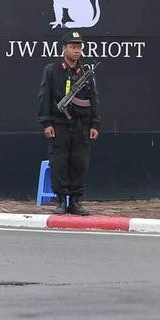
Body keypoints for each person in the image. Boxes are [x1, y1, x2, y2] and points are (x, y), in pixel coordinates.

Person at [37, 29, 100, 216]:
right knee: (59, 163)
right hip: (59, 124)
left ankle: (75, 201)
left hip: (81, 125)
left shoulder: (86, 71)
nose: (76, 51)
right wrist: (46, 123)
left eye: (79, 47)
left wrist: (95, 124)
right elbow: (44, 97)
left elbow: (94, 99)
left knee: (79, 163)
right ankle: (61, 200)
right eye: (73, 47)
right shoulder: (52, 70)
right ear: (64, 48)